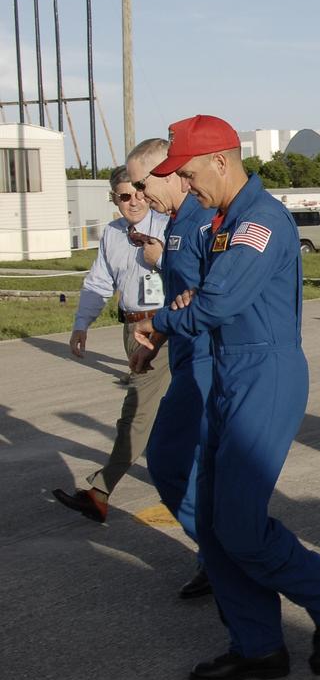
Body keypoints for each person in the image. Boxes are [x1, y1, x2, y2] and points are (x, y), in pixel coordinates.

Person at [132, 115, 320, 680]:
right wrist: (185, 305)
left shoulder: (260, 222)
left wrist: (158, 320)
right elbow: (205, 296)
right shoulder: (223, 221)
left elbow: (214, 302)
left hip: (266, 372)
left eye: (189, 172)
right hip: (228, 371)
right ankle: (257, 644)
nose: (185, 184)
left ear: (221, 161)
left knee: (236, 523)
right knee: (213, 526)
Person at [53, 167, 170, 523]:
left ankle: (100, 491)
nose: (133, 201)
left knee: (137, 411)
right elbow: (99, 281)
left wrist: (160, 256)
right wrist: (81, 324)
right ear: (114, 200)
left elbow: (190, 272)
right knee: (155, 413)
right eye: (124, 196)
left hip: (165, 328)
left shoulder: (168, 225)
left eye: (138, 192)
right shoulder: (112, 234)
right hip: (132, 328)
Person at [127, 137, 217, 599]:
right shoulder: (178, 222)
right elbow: (179, 295)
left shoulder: (205, 221)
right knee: (189, 467)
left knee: (170, 461)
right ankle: (217, 556)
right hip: (183, 353)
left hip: (206, 358)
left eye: (143, 183)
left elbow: (211, 295)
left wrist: (163, 321)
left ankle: (228, 555)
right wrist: (159, 336)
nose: (140, 196)